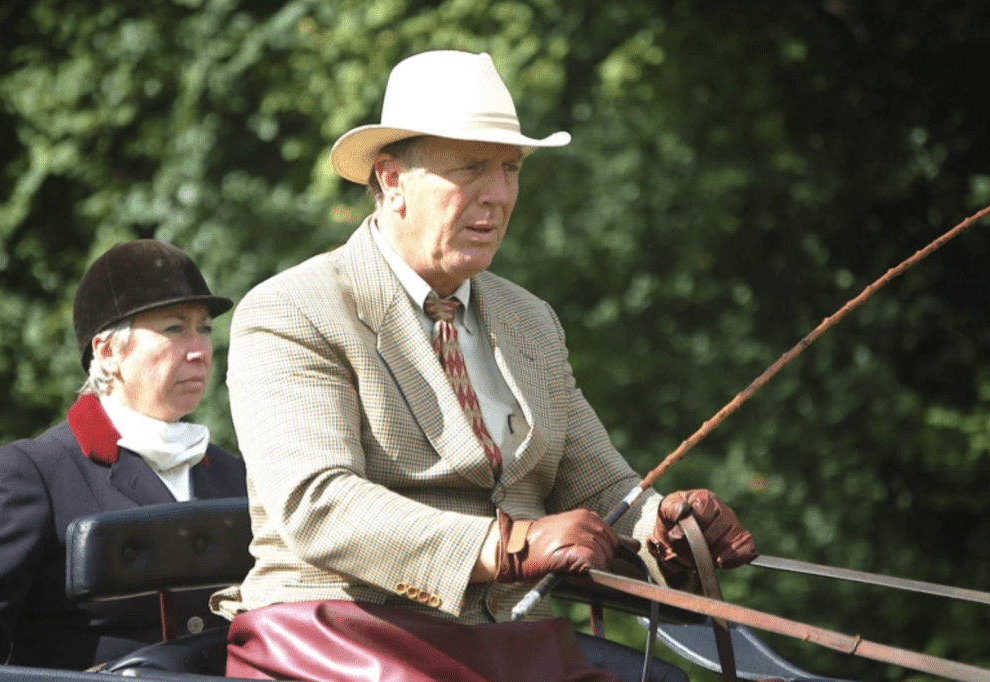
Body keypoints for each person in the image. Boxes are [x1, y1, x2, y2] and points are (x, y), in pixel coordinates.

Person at [214, 50, 756, 681]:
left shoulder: (531, 321)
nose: (498, 195)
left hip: (507, 650)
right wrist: (506, 548)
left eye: (510, 168)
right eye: (470, 168)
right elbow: (319, 503)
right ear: (391, 180)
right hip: (341, 637)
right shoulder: (294, 309)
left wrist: (666, 527)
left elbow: (602, 491)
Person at [0, 240, 247, 670]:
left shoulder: (235, 473)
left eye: (204, 328)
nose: (199, 349)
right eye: (175, 328)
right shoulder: (34, 471)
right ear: (108, 352)